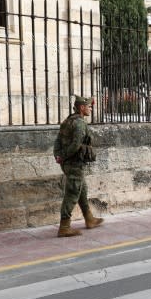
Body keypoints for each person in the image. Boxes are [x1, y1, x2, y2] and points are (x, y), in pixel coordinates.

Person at [53, 95, 103, 237]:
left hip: (68, 163)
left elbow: (57, 140)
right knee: (72, 193)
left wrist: (58, 155)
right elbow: (75, 145)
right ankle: (64, 227)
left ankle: (89, 218)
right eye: (89, 106)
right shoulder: (80, 123)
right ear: (82, 107)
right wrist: (63, 156)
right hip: (74, 163)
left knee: (82, 189)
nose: (91, 109)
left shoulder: (68, 120)